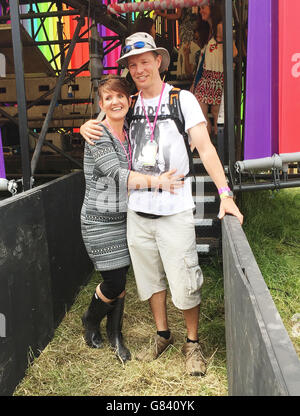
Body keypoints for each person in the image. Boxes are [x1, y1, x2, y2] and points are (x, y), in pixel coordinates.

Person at [80, 32, 243, 376]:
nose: (138, 68)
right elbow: (102, 123)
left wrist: (225, 194)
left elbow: (206, 148)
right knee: (150, 279)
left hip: (174, 209)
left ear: (158, 61)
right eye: (131, 64)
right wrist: (84, 126)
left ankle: (192, 343)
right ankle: (162, 334)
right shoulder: (130, 102)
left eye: (144, 61)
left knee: (184, 278)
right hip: (137, 212)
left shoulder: (181, 100)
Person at [80, 74, 184, 364]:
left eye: (119, 96)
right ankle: (90, 319)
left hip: (125, 217)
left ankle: (116, 335)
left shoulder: (129, 129)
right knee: (112, 282)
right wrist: (158, 182)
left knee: (121, 279)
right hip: (99, 220)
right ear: (101, 104)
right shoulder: (98, 134)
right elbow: (119, 174)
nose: (115, 102)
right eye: (108, 98)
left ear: (129, 100)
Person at [190, 0, 238, 139]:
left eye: (203, 8)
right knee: (200, 114)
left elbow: (234, 52)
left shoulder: (221, 26)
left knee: (218, 114)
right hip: (206, 77)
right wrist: (195, 82)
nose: (201, 11)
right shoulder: (208, 30)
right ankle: (209, 145)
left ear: (212, 8)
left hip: (218, 76)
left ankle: (220, 148)